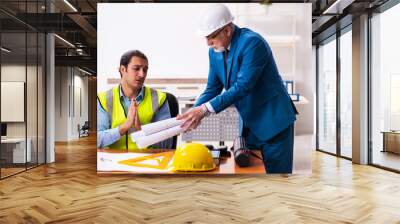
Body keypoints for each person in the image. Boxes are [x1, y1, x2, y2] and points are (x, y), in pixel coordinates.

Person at [177, 4, 298, 173]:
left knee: (276, 178)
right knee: (252, 176)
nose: (207, 43)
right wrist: (193, 113)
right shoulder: (214, 51)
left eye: (211, 36)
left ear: (227, 30)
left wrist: (204, 110)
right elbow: (212, 88)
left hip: (273, 122)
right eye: (205, 37)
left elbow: (242, 87)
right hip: (249, 124)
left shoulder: (252, 43)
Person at [97, 50, 173, 150]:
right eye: (136, 68)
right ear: (123, 69)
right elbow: (97, 140)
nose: (142, 74)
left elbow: (166, 144)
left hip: (148, 161)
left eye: (145, 70)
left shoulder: (159, 99)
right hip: (113, 161)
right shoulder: (104, 99)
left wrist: (141, 131)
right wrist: (124, 127)